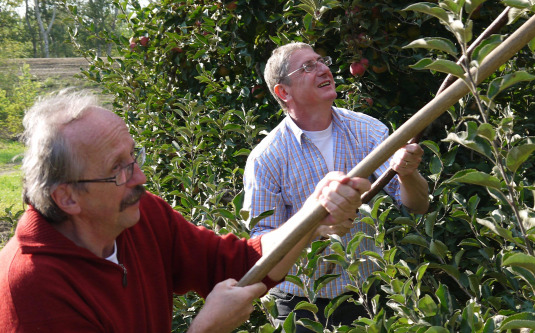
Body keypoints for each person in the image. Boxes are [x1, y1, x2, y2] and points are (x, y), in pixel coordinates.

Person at [0, 89, 371, 332]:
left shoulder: (140, 217)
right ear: (68, 198)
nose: (140, 177)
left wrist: (314, 213)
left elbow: (236, 262)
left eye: (134, 157)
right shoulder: (33, 289)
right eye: (119, 169)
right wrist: (205, 330)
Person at [243, 42, 430, 330]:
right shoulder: (267, 158)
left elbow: (417, 206)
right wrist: (314, 228)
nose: (323, 69)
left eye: (321, 60)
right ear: (284, 92)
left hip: (371, 294)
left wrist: (407, 173)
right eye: (307, 66)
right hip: (302, 304)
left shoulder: (368, 131)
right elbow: (262, 241)